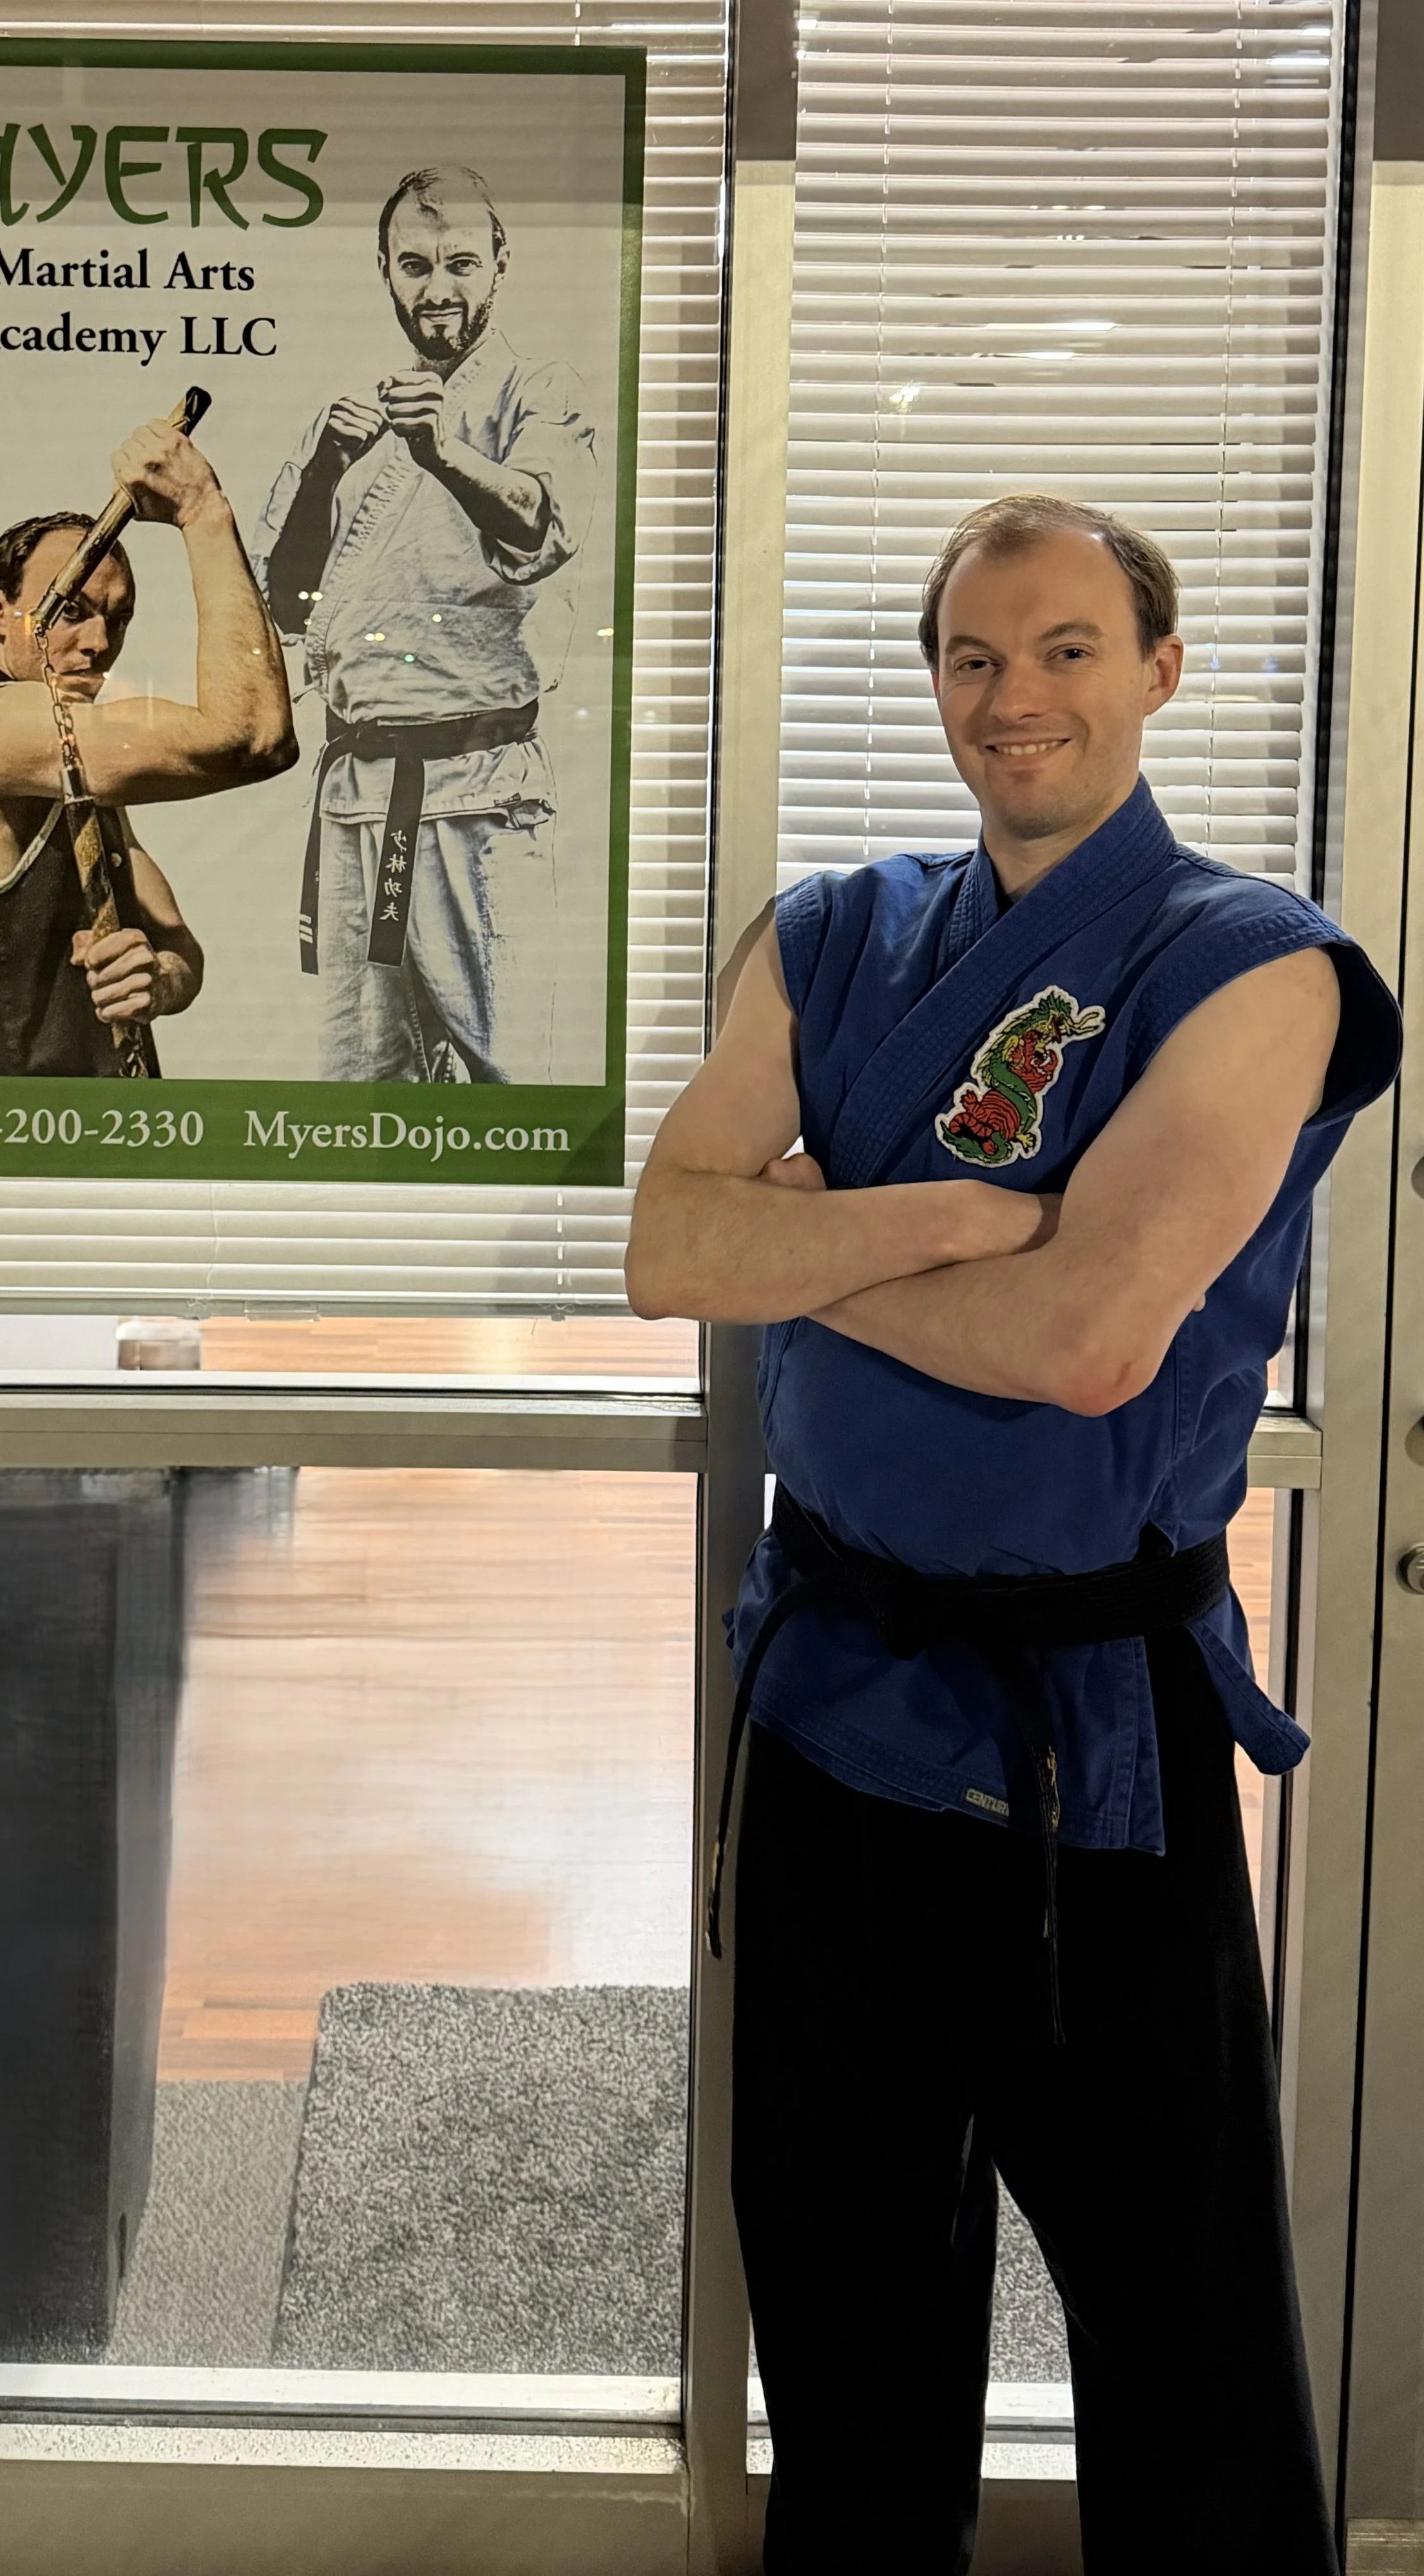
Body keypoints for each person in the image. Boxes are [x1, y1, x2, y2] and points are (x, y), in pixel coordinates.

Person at [626, 495, 1403, 2575]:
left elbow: (1083, 1341)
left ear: (1161, 667)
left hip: (1093, 1722)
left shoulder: (1258, 967)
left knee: (1179, 2303)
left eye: (1067, 648)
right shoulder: (833, 929)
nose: (1015, 697)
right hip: (828, 1688)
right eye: (975, 656)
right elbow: (663, 1244)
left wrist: (793, 1249)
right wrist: (940, 1218)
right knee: (840, 2264)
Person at [251, 162, 597, 1084]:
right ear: (385, 272)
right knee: (359, 1087)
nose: (436, 290)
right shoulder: (358, 417)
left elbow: (543, 522)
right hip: (356, 793)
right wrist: (328, 465)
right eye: (413, 267)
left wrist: (442, 453)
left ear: (498, 262)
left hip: (478, 792)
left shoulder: (536, 388)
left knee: (511, 1078)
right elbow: (284, 602)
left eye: (459, 264)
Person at [0, 416, 296, 1079]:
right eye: (72, 609)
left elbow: (175, 941)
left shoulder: (63, 764)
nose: (101, 642)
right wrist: (202, 509)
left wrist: (156, 977)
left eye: (120, 616)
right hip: (6, 1153)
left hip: (89, 1145)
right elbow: (253, 736)